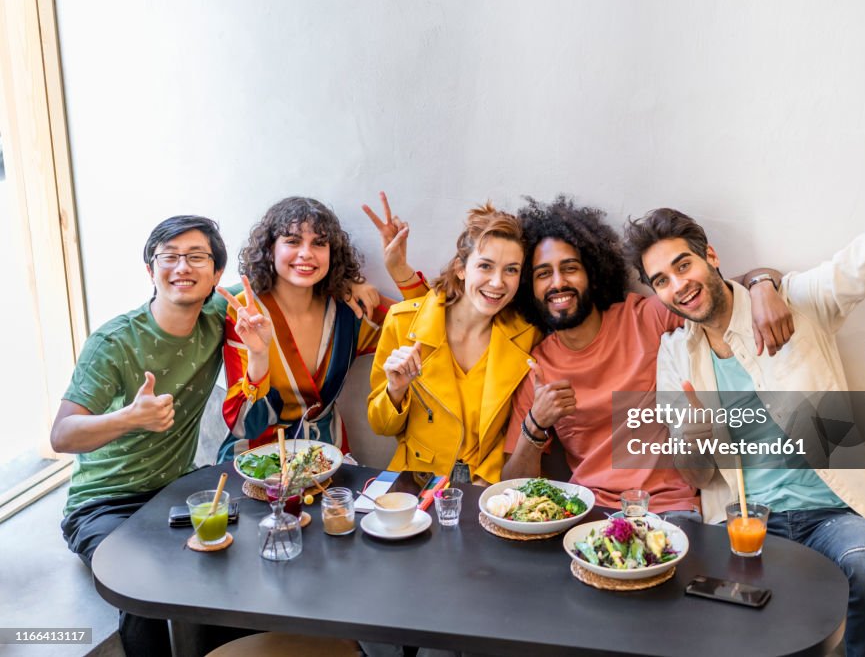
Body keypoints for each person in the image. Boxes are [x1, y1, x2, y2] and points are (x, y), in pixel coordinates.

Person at [627, 121, 865, 656]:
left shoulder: (796, 303)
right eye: (662, 281)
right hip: (745, 521)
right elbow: (697, 476)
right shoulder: (677, 355)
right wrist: (694, 432)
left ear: (710, 257)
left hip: (832, 513)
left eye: (684, 265)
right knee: (721, 624)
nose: (679, 285)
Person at [500, 197, 793, 525]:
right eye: (543, 274)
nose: (557, 283)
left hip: (670, 510)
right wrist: (535, 424)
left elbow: (724, 290)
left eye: (570, 268)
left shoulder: (645, 318)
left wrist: (762, 286)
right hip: (587, 513)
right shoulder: (538, 367)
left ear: (593, 275)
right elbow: (512, 487)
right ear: (531, 288)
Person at [52, 215, 236, 656]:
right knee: (142, 590)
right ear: (150, 269)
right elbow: (61, 435)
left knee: (232, 562)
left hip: (172, 492)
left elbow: (282, 280)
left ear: (216, 273)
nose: (182, 268)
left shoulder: (220, 316)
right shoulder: (113, 342)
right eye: (168, 257)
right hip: (103, 503)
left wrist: (354, 288)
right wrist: (130, 418)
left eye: (196, 257)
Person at [217, 194, 426, 462]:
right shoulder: (248, 310)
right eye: (292, 241)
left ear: (332, 253)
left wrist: (398, 267)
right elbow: (245, 426)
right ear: (270, 248)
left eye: (319, 243)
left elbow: (425, 324)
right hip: (254, 463)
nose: (306, 253)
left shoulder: (349, 309)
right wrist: (259, 357)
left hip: (328, 460)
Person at [368, 203, 540, 486]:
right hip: (414, 487)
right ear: (461, 268)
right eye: (485, 266)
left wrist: (486, 483)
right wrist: (395, 390)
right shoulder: (403, 323)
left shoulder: (526, 336)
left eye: (511, 270)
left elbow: (514, 428)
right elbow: (381, 426)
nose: (498, 282)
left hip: (488, 491)